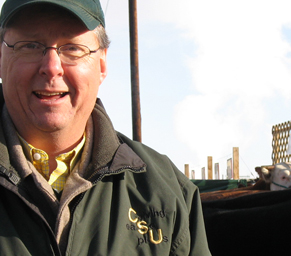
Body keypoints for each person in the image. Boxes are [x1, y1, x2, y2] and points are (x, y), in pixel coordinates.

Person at [0, 0, 211, 255]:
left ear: (101, 65)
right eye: (30, 46)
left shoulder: (167, 192)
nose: (51, 67)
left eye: (72, 48)